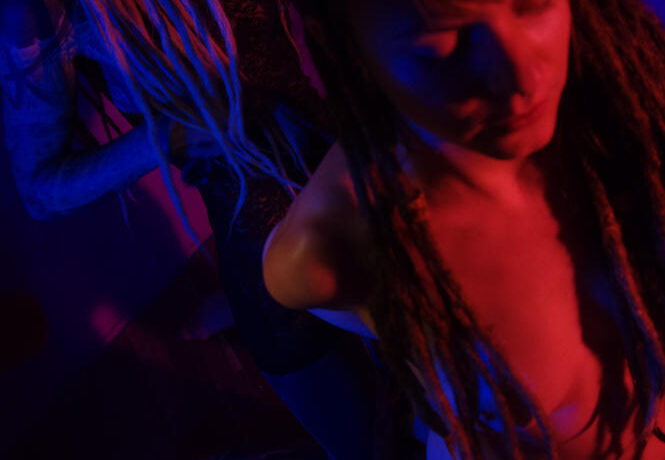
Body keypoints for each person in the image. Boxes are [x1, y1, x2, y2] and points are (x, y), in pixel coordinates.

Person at [0, 1, 421, 459]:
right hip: (262, 244)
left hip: (344, 165)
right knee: (369, 446)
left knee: (443, 373)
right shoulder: (36, 11)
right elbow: (40, 189)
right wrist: (165, 137)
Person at [262, 0, 665, 458]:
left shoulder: (634, 111)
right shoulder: (336, 246)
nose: (521, 78)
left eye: (534, 5)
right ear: (346, 45)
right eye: (442, 41)